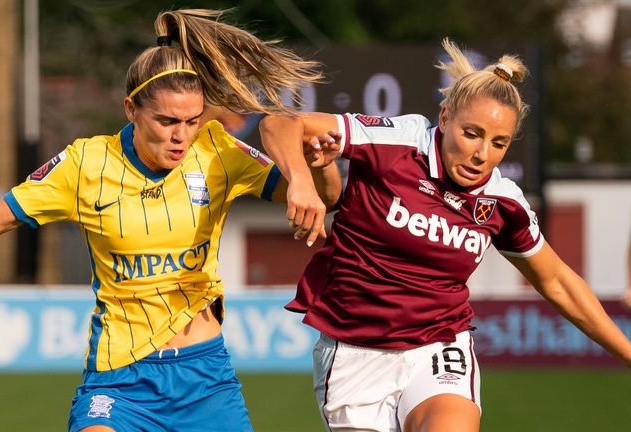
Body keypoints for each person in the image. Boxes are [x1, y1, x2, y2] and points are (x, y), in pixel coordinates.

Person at [0, 9, 340, 432]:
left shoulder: (217, 149)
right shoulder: (85, 163)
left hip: (205, 379)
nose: (181, 136)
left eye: (192, 121)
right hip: (120, 380)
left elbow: (326, 197)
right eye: (166, 121)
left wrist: (310, 170)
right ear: (130, 110)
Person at [260, 38, 631, 432]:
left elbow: (557, 281)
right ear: (445, 116)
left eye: (499, 143)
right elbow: (279, 123)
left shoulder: (503, 201)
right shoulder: (396, 142)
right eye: (472, 133)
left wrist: (627, 353)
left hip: (439, 348)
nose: (482, 154)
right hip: (354, 353)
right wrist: (300, 181)